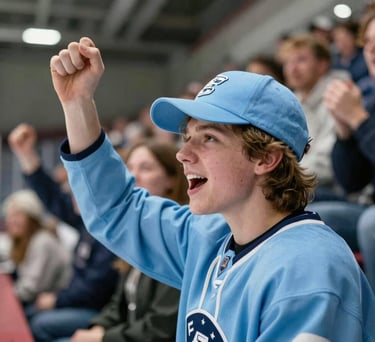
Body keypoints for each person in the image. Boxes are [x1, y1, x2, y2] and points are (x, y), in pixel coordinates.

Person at [51, 37, 375, 341]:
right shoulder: (209, 235)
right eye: (187, 137)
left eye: (209, 138)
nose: (183, 154)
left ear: (265, 158)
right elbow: (117, 208)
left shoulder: (309, 273)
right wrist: (77, 104)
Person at [8, 123, 119, 342]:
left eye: (77, 190)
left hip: (97, 310)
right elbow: (53, 198)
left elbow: (94, 290)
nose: (71, 195)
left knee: (38, 323)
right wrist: (27, 155)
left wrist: (57, 300)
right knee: (28, 316)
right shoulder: (87, 222)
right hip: (79, 302)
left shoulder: (110, 233)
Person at [70, 139, 187, 342]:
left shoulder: (179, 238)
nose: (133, 176)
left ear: (172, 179)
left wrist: (103, 337)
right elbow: (119, 303)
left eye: (146, 168)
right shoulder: (139, 233)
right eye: (130, 167)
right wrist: (100, 326)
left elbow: (161, 327)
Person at [308, 6, 375, 292]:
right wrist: (345, 133)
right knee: (309, 218)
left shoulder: (363, 104)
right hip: (365, 203)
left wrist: (359, 121)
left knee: (371, 225)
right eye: (369, 44)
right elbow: (351, 180)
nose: (371, 52)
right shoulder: (367, 94)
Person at [277, 33, 350, 201]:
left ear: (323, 65)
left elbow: (328, 163)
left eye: (301, 60)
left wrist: (283, 179)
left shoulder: (339, 94)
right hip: (307, 184)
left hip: (339, 189)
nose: (292, 69)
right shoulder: (291, 104)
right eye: (288, 62)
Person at [2, 189, 71, 305]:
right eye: (9, 215)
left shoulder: (42, 242)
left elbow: (32, 289)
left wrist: (6, 296)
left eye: (17, 215)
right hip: (40, 300)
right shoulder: (27, 240)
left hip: (56, 302)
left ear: (32, 218)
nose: (11, 220)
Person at [331, 19, 369, 84]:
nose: (343, 43)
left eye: (346, 37)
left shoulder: (365, 54)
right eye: (338, 39)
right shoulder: (334, 62)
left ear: (354, 36)